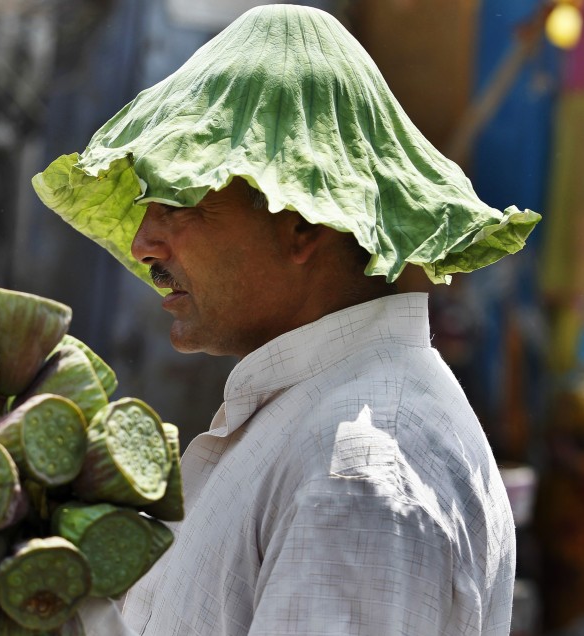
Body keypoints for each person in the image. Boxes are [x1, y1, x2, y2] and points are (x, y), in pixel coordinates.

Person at [32, 4, 541, 635]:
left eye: (178, 202)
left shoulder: (359, 473)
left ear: (300, 223)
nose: (143, 244)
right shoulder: (312, 421)